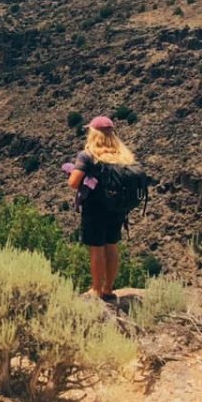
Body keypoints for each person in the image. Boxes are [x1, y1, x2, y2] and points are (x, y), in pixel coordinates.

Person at [67, 116, 137, 302]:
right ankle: (108, 289)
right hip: (117, 208)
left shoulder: (88, 156)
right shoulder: (124, 156)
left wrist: (74, 172)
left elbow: (73, 183)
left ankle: (96, 289)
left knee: (96, 249)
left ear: (94, 134)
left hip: (95, 208)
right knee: (111, 245)